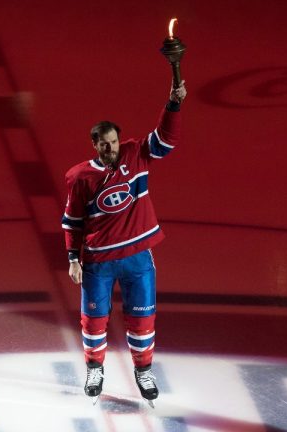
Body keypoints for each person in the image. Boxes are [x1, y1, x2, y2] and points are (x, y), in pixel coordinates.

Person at [61, 80, 186, 406]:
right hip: (98, 261)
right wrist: (73, 258)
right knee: (93, 321)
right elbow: (72, 221)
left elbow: (166, 140)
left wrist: (173, 105)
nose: (111, 148)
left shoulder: (135, 153)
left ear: (120, 140)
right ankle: (94, 369)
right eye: (104, 144)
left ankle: (144, 371)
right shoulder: (79, 177)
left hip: (137, 257)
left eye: (114, 142)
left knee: (142, 320)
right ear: (94, 145)